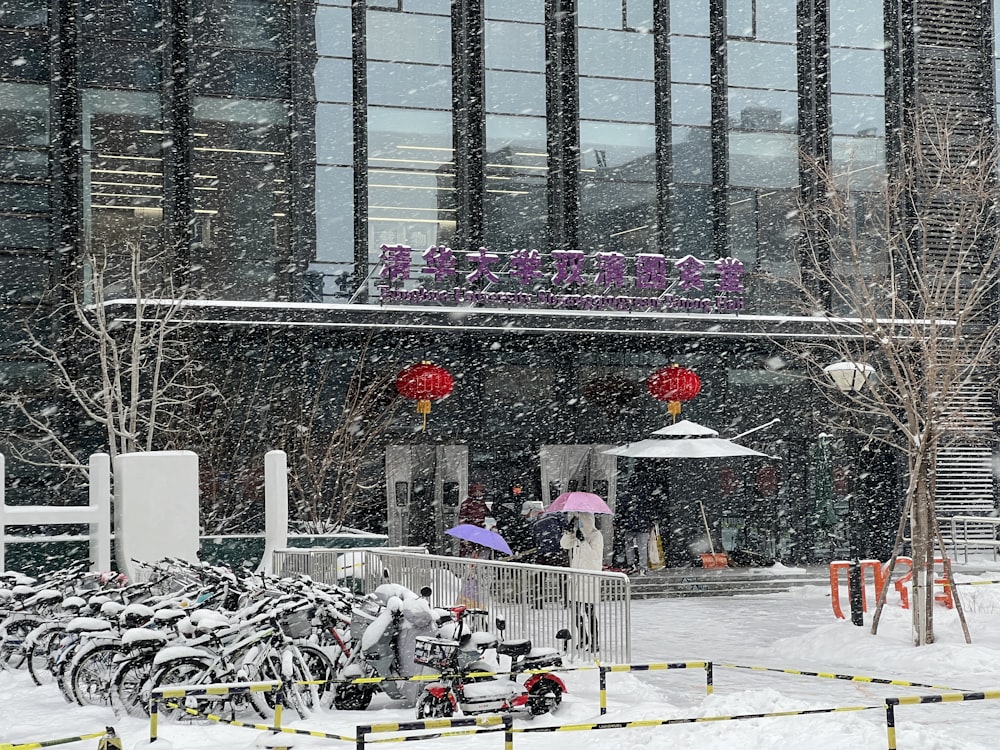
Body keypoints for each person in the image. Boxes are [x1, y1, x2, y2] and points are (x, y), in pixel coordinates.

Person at [560, 511, 604, 651]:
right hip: (577, 578)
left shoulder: (596, 536)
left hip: (589, 579)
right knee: (575, 612)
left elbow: (593, 558)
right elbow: (565, 545)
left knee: (589, 612)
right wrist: (568, 533)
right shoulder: (577, 534)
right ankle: (582, 636)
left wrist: (584, 541)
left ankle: (594, 640)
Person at [617, 474, 657, 575]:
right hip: (642, 525)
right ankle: (642, 567)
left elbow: (621, 511)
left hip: (629, 525)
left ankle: (631, 565)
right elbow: (650, 510)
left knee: (629, 546)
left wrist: (619, 523)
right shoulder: (645, 496)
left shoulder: (626, 496)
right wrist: (651, 522)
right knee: (642, 546)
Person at [456, 484, 491, 557]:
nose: (479, 494)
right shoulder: (467, 503)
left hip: (480, 531)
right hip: (470, 532)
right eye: (477, 491)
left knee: (480, 550)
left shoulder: (482, 503)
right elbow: (462, 518)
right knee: (468, 551)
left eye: (480, 492)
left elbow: (488, 514)